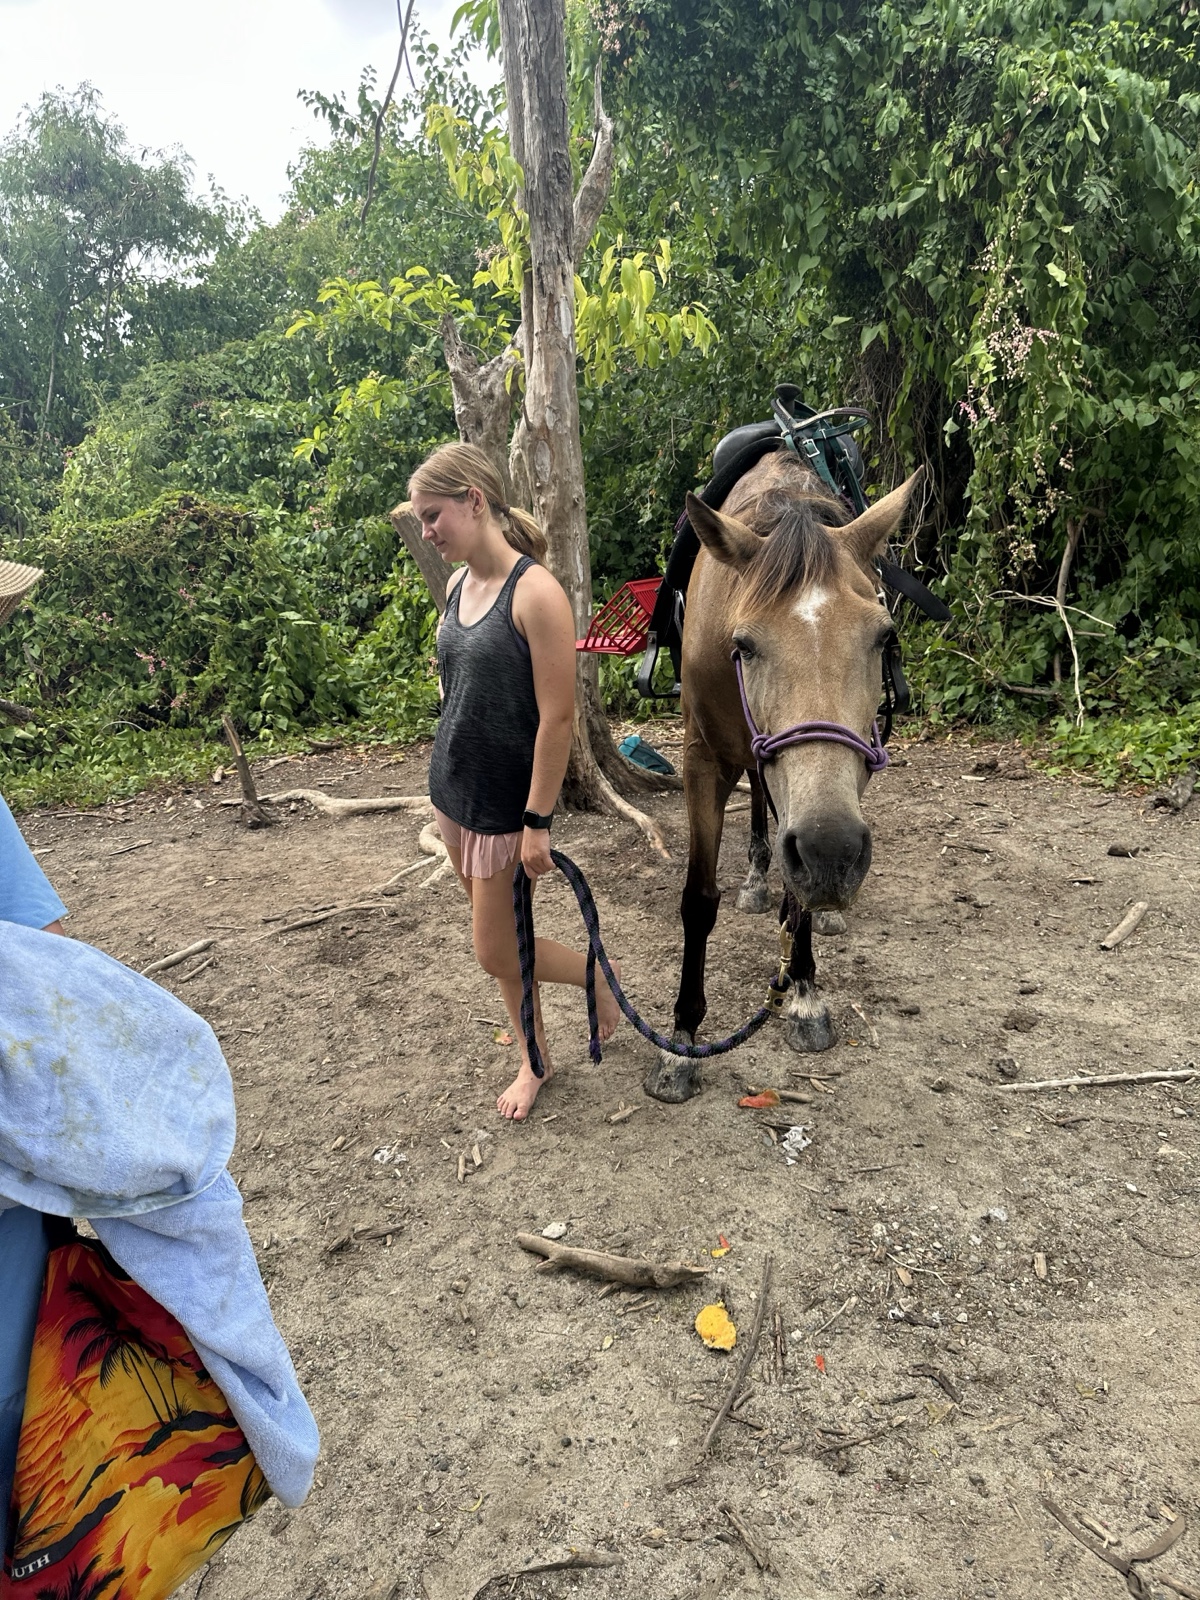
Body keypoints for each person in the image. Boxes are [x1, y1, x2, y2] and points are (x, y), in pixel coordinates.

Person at [410, 442, 621, 1120]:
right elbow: (458, 687)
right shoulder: (455, 586)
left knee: (496, 950)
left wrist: (537, 821)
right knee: (507, 948)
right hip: (453, 793)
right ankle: (535, 1058)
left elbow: (558, 719)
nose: (426, 531)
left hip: (507, 808)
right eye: (420, 518)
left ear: (475, 500)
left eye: (433, 514)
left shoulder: (537, 595)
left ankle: (595, 976)